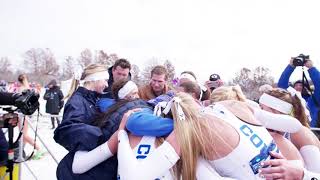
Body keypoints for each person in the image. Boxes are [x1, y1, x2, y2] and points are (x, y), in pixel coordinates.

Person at [54, 63, 120, 180]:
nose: (106, 84)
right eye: (105, 80)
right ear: (94, 79)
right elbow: (69, 129)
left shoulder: (92, 99)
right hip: (76, 170)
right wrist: (102, 135)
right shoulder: (78, 101)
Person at [259, 88, 320, 173]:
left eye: (262, 108)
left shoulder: (301, 133)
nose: (259, 111)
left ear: (276, 111)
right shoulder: (275, 131)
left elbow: (316, 173)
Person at [278, 58, 320, 127]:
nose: (298, 87)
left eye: (301, 85)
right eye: (296, 85)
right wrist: (291, 66)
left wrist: (312, 68)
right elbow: (281, 86)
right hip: (293, 130)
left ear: (305, 88)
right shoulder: (291, 98)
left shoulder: (313, 100)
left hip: (312, 130)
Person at [16, 74, 44, 160]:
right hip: (22, 114)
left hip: (23, 114)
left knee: (24, 135)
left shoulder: (24, 88)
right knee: (23, 135)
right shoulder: (24, 88)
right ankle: (21, 151)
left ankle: (38, 148)